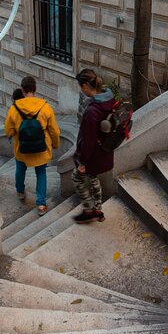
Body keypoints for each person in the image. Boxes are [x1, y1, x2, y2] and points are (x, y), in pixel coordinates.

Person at [4, 76, 60, 216]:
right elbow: (54, 130)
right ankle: (41, 204)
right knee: (41, 173)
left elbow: (8, 130)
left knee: (20, 169)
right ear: (35, 90)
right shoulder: (45, 107)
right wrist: (55, 143)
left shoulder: (14, 108)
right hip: (41, 148)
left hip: (22, 149)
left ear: (22, 90)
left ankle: (21, 192)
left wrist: (14, 133)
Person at [72, 68, 116, 224]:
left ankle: (89, 211)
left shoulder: (93, 111)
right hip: (104, 152)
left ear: (85, 86)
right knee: (93, 177)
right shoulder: (109, 100)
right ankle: (98, 210)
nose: (81, 90)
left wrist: (82, 162)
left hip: (93, 155)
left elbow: (89, 141)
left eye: (80, 87)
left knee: (77, 177)